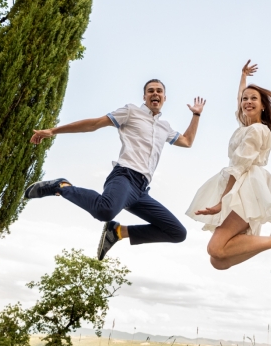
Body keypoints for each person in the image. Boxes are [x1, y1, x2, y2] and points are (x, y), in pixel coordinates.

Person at [27, 79, 206, 260]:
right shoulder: (130, 112)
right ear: (144, 96)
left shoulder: (164, 127)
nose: (155, 93)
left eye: (159, 91)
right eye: (150, 91)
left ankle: (117, 232)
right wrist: (53, 131)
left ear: (164, 98)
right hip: (124, 177)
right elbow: (94, 124)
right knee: (104, 211)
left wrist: (196, 115)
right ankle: (61, 186)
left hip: (141, 190)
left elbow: (187, 141)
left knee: (177, 233)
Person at [186, 61, 271, 270]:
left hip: (245, 187)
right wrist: (243, 77)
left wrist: (223, 201)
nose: (247, 102)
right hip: (242, 184)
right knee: (218, 261)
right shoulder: (246, 126)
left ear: (263, 105)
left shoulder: (256, 131)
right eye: (245, 99)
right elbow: (239, 102)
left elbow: (239, 166)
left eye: (254, 99)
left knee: (215, 249)